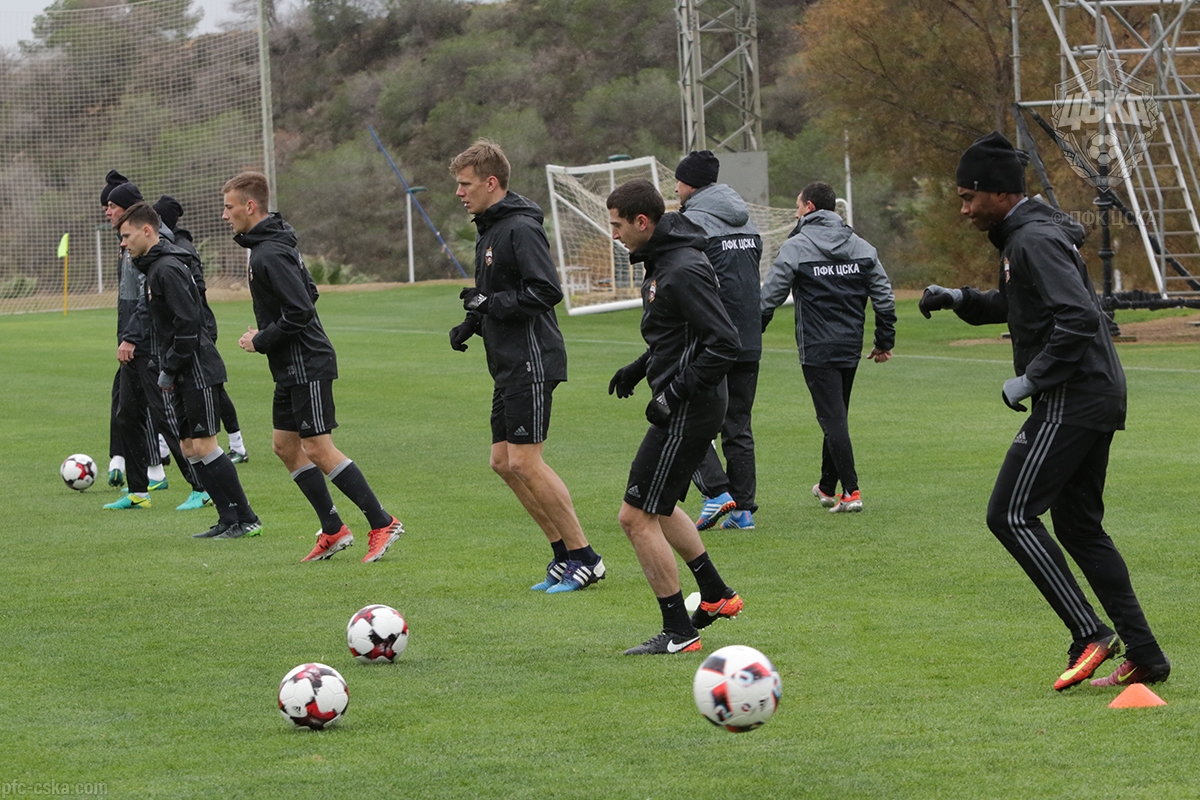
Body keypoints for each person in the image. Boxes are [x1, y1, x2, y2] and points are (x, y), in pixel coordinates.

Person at [919, 130, 1170, 689]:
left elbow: (1077, 316)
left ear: (999, 193)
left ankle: (1090, 633)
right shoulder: (1026, 237)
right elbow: (1020, 305)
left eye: (968, 197)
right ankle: (1147, 656)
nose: (964, 210)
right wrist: (959, 298)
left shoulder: (1031, 239)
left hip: (1074, 395)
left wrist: (1032, 379)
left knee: (1009, 514)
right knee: (1079, 528)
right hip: (1092, 393)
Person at [447, 139, 605, 594]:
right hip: (507, 362)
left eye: (465, 184)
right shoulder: (489, 229)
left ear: (491, 182)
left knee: (524, 460)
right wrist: (472, 322)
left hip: (533, 360)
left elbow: (546, 291)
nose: (459, 192)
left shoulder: (519, 227)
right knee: (503, 462)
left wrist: (489, 304)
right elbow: (495, 294)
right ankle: (562, 553)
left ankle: (586, 557)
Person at [224, 171, 404, 563]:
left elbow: (301, 309)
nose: (225, 215)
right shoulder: (268, 246)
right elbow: (310, 292)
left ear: (249, 206)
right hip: (290, 365)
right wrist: (268, 334)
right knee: (285, 446)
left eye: (229, 206)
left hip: (307, 362)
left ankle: (382, 521)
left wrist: (261, 339)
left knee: (318, 447)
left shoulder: (269, 252)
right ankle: (333, 528)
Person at [606, 178, 744, 655]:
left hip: (689, 406)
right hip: (685, 402)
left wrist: (673, 393)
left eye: (618, 225)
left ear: (643, 222)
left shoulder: (681, 267)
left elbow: (724, 342)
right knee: (658, 507)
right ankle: (716, 594)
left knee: (635, 516)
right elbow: (679, 335)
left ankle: (680, 632)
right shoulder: (663, 259)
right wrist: (640, 367)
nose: (615, 234)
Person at [116, 202, 260, 538]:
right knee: (189, 447)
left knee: (205, 445)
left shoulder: (167, 268)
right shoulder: (154, 268)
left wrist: (169, 367)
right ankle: (227, 518)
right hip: (181, 369)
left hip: (197, 369)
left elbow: (189, 324)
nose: (123, 243)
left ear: (147, 230)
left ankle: (247, 518)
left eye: (126, 236)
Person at [760, 181, 896, 513]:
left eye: (797, 206)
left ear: (809, 207)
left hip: (817, 346)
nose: (795, 213)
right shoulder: (862, 246)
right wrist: (883, 341)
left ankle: (851, 491)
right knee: (836, 414)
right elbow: (884, 297)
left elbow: (770, 296)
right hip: (850, 344)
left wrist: (753, 331)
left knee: (832, 417)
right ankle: (826, 486)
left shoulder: (796, 246)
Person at [102, 175, 209, 512]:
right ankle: (139, 491)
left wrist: (131, 337)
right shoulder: (127, 242)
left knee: (165, 418)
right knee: (126, 415)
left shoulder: (153, 245)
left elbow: (148, 301)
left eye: (112, 205)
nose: (107, 211)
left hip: (148, 346)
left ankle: (201, 486)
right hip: (131, 345)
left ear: (130, 210)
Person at [673, 150, 764, 531]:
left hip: (711, 340)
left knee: (682, 416)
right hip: (748, 336)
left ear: (690, 184)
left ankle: (716, 492)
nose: (675, 189)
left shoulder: (690, 223)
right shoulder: (749, 221)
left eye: (678, 181)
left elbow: (688, 281)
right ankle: (742, 511)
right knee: (737, 424)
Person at [153, 195, 249, 463]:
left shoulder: (181, 249)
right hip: (192, 327)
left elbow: (197, 291)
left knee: (212, 388)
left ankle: (237, 444)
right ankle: (164, 447)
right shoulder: (168, 248)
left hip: (199, 327)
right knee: (178, 387)